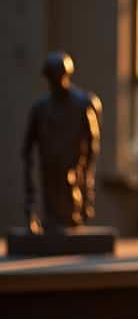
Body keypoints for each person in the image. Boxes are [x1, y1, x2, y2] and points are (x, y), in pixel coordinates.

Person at [21, 52, 102, 233]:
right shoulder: (41, 108)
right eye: (52, 77)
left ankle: (71, 216)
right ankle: (54, 220)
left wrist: (88, 177)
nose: (55, 82)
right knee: (53, 195)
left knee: (68, 187)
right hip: (49, 164)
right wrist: (30, 198)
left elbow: (92, 141)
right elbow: (27, 148)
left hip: (73, 162)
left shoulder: (83, 104)